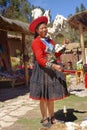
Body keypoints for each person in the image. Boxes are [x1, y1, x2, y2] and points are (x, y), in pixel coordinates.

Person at [29, 16, 69, 127]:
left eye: (45, 27)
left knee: (50, 96)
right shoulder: (36, 42)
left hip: (50, 71)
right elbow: (40, 59)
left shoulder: (50, 41)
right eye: (41, 28)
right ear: (37, 31)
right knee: (43, 97)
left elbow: (54, 55)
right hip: (42, 72)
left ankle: (52, 117)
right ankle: (45, 118)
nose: (44, 30)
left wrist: (64, 46)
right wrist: (55, 67)